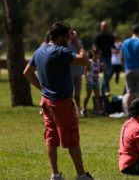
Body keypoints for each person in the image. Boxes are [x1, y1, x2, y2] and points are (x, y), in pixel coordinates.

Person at [23, 21, 93, 180]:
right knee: (72, 138)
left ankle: (55, 175)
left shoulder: (40, 50)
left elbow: (27, 72)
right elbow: (85, 61)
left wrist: (42, 88)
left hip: (46, 101)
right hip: (61, 103)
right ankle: (81, 176)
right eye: (68, 36)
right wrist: (77, 42)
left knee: (51, 138)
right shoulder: (60, 51)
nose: (70, 38)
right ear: (61, 38)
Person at [121, 24, 139, 113]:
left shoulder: (125, 42)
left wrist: (124, 68)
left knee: (129, 92)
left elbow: (122, 57)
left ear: (132, 31)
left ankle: (128, 112)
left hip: (128, 69)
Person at [93, 21, 115, 95]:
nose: (104, 28)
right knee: (106, 73)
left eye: (106, 26)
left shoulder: (110, 37)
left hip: (108, 57)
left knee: (108, 73)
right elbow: (95, 46)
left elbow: (113, 46)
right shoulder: (97, 37)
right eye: (103, 26)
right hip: (101, 57)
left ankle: (103, 89)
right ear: (100, 27)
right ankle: (106, 90)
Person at [82, 48, 104, 116]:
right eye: (99, 54)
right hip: (90, 81)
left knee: (97, 96)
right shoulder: (90, 61)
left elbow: (99, 71)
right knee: (88, 95)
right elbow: (85, 71)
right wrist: (87, 80)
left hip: (96, 81)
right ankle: (84, 109)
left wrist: (102, 68)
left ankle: (99, 110)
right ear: (94, 54)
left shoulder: (99, 61)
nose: (100, 55)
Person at [68, 33, 85, 116]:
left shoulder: (79, 43)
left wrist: (77, 43)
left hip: (78, 71)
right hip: (69, 72)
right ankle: (71, 110)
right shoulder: (66, 44)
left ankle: (78, 108)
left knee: (77, 93)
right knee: (70, 93)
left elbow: (82, 55)